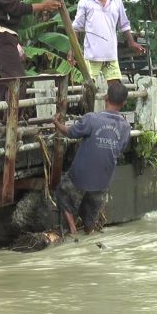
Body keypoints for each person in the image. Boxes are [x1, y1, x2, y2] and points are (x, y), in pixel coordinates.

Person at [51, 82, 131, 235]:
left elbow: (69, 132)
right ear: (124, 103)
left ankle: (73, 230)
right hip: (103, 180)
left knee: (62, 192)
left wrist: (56, 123)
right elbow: (121, 149)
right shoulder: (125, 127)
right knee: (90, 217)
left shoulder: (92, 119)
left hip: (80, 177)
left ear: (106, 98)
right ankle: (88, 234)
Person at [69, 0, 145, 86]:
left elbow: (124, 24)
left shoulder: (116, 0)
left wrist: (132, 43)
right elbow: (76, 28)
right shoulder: (84, 3)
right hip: (92, 56)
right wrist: (72, 50)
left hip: (110, 55)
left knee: (115, 89)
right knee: (90, 89)